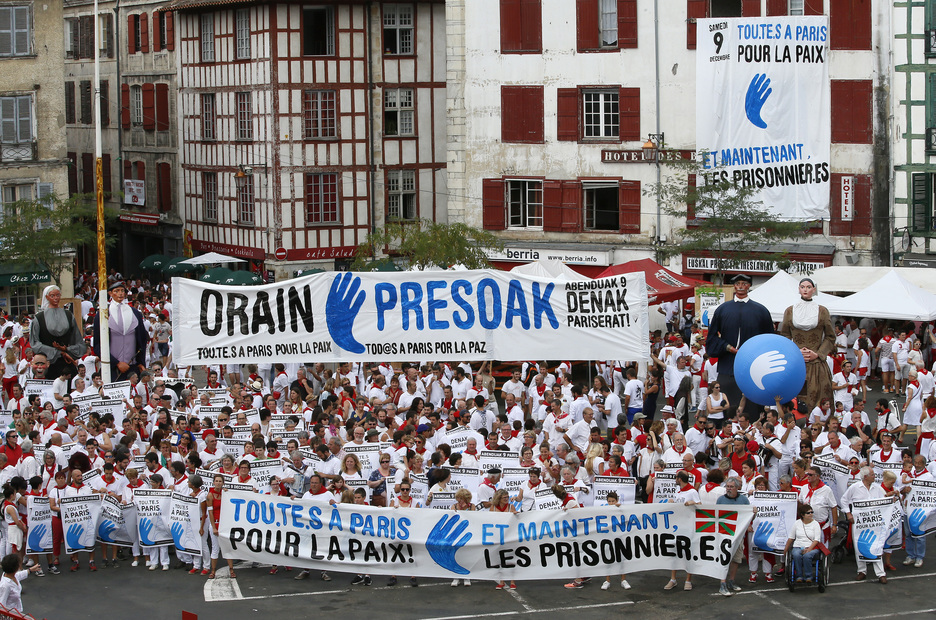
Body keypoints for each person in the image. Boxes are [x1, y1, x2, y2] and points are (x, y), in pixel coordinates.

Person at [705, 274, 774, 414]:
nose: (741, 286)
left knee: (752, 408)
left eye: (744, 283)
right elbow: (711, 338)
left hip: (753, 367)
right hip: (728, 367)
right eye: (738, 284)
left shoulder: (761, 310)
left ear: (749, 286)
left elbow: (769, 339)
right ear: (734, 286)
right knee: (726, 406)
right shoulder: (722, 309)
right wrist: (727, 347)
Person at [779, 278, 836, 412]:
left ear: (814, 290)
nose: (805, 289)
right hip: (796, 362)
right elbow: (785, 335)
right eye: (803, 287)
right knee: (796, 398)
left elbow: (830, 336)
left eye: (808, 287)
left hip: (817, 363)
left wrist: (818, 353)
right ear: (799, 289)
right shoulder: (790, 311)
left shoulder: (822, 311)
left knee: (819, 397)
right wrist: (796, 351)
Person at [91, 281, 149, 381]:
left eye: (122, 291)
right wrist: (116, 363)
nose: (120, 293)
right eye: (116, 291)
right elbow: (97, 345)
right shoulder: (102, 315)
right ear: (110, 293)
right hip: (112, 369)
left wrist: (141, 363)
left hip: (133, 367)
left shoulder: (135, 313)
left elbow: (142, 340)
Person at [29, 285, 83, 380]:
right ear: (47, 297)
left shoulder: (68, 315)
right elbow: (35, 343)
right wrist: (56, 352)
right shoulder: (39, 318)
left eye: (58, 295)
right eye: (52, 295)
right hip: (49, 364)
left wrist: (67, 349)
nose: (55, 298)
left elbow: (78, 340)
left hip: (67, 363)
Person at [716, 477, 749, 596]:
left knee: (736, 559)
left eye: (731, 487)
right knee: (724, 559)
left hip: (738, 535)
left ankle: (731, 581)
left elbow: (748, 517)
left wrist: (753, 513)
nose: (728, 489)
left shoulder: (744, 500)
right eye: (727, 487)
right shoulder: (720, 500)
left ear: (737, 488)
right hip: (724, 534)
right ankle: (722, 583)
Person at [784, 504, 823, 583]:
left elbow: (816, 540)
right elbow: (791, 538)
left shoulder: (816, 524)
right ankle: (799, 576)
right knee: (796, 555)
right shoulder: (797, 523)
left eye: (812, 512)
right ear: (802, 515)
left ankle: (809, 576)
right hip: (798, 546)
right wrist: (786, 549)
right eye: (808, 513)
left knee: (807, 556)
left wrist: (809, 549)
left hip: (812, 546)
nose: (811, 514)